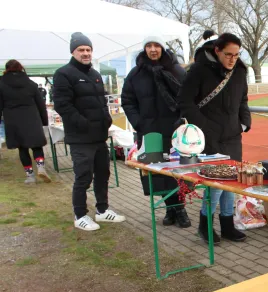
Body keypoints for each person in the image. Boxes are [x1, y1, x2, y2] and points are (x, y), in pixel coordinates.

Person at [179, 33, 251, 244]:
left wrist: (244, 123)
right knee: (217, 183)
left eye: (236, 55)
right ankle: (205, 225)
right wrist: (205, 127)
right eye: (228, 54)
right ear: (217, 51)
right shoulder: (199, 70)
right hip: (209, 137)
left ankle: (227, 224)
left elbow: (243, 99)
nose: (232, 59)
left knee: (231, 181)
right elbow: (185, 101)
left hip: (232, 135)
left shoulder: (239, 71)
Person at [53, 32, 126, 231]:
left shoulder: (94, 75)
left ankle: (102, 211)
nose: (85, 53)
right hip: (80, 138)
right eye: (81, 50)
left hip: (99, 136)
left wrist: (107, 119)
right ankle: (80, 215)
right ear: (73, 52)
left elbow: (102, 101)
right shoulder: (63, 74)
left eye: (88, 50)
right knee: (83, 177)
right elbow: (63, 105)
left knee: (103, 174)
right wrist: (83, 123)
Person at [121, 36, 191, 228]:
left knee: (177, 171)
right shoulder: (135, 74)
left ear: (162, 47)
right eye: (149, 46)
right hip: (149, 131)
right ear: (144, 49)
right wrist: (138, 123)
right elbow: (127, 100)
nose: (153, 49)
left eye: (157, 46)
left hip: (174, 131)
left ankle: (180, 208)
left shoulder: (176, 71)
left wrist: (182, 119)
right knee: (158, 173)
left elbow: (188, 97)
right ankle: (170, 208)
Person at [0, 60, 51, 184]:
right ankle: (40, 166)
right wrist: (44, 121)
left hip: (12, 119)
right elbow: (41, 105)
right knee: (36, 145)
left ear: (6, 69)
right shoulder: (31, 84)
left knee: (22, 148)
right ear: (21, 68)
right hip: (31, 117)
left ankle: (30, 176)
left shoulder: (1, 84)